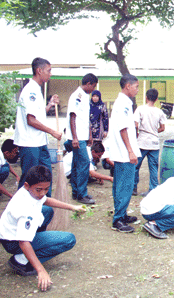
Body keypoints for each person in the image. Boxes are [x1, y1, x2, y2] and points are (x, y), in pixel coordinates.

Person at [0, 165, 85, 291]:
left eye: (46, 189)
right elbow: (23, 242)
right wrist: (41, 270)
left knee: (47, 211)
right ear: (27, 185)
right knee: (69, 239)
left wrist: (72, 207)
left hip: (11, 235)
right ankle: (20, 261)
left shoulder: (28, 191)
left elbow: (46, 200)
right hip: (14, 242)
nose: (42, 193)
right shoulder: (26, 210)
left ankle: (32, 249)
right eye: (39, 190)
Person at [14, 57, 62, 193]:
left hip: (39, 142)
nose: (50, 73)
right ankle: (21, 209)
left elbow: (38, 115)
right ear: (39, 71)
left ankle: (44, 206)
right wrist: (52, 132)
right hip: (30, 144)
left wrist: (50, 104)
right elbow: (31, 120)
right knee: (29, 179)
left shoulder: (37, 90)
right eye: (49, 70)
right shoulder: (31, 91)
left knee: (45, 176)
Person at [110, 74, 141, 233]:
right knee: (125, 186)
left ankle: (121, 213)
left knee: (120, 184)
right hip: (124, 152)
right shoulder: (123, 103)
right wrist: (130, 151)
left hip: (122, 151)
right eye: (136, 86)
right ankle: (118, 220)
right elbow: (123, 128)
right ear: (128, 86)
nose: (137, 89)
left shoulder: (124, 102)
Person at [64, 73, 98, 205]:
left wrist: (89, 135)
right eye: (93, 86)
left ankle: (76, 192)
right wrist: (75, 138)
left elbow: (85, 118)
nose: (93, 89)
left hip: (83, 136)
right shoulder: (76, 96)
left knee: (76, 164)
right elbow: (73, 117)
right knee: (84, 164)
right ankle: (81, 194)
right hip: (77, 137)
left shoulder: (85, 96)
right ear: (88, 83)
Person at [133, 88, 167, 196]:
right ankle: (153, 189)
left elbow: (136, 125)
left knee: (136, 166)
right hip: (154, 142)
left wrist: (138, 133)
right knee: (153, 167)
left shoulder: (140, 109)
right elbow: (162, 128)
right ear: (156, 99)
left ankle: (133, 188)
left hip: (142, 141)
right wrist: (153, 131)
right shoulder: (159, 111)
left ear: (146, 97)